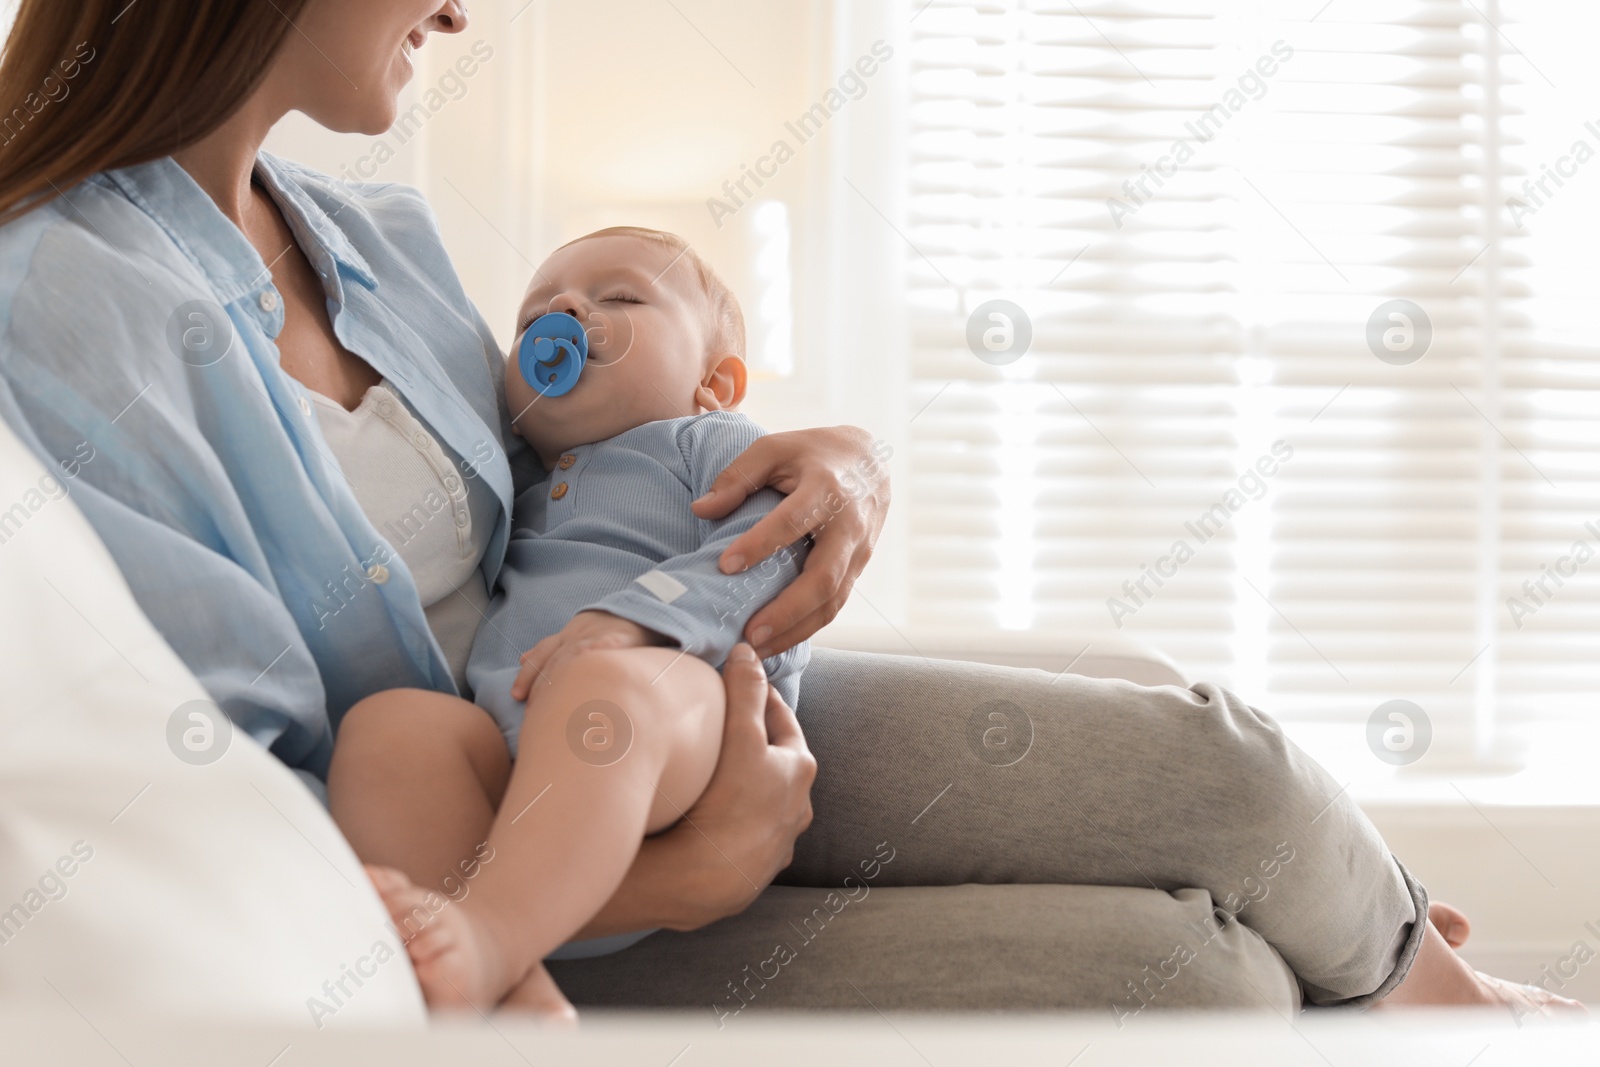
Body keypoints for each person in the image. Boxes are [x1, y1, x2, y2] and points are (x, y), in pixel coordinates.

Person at [0, 0, 1577, 1019]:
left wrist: (834, 458)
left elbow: (585, 468)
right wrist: (672, 878)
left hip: (648, 711)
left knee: (1211, 764)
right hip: (488, 898)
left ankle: (1428, 985)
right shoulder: (54, 296)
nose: (461, 10)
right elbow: (235, 810)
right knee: (1197, 985)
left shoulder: (376, 237)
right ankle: (1385, 968)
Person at [330, 225, 810, 1018]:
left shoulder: (712, 444)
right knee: (393, 726)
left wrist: (633, 622)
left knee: (606, 680)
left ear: (716, 383)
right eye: (531, 320)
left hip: (692, 737)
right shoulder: (515, 488)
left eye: (619, 297)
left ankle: (486, 936)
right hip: (523, 811)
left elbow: (776, 549)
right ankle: (512, 989)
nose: (562, 308)